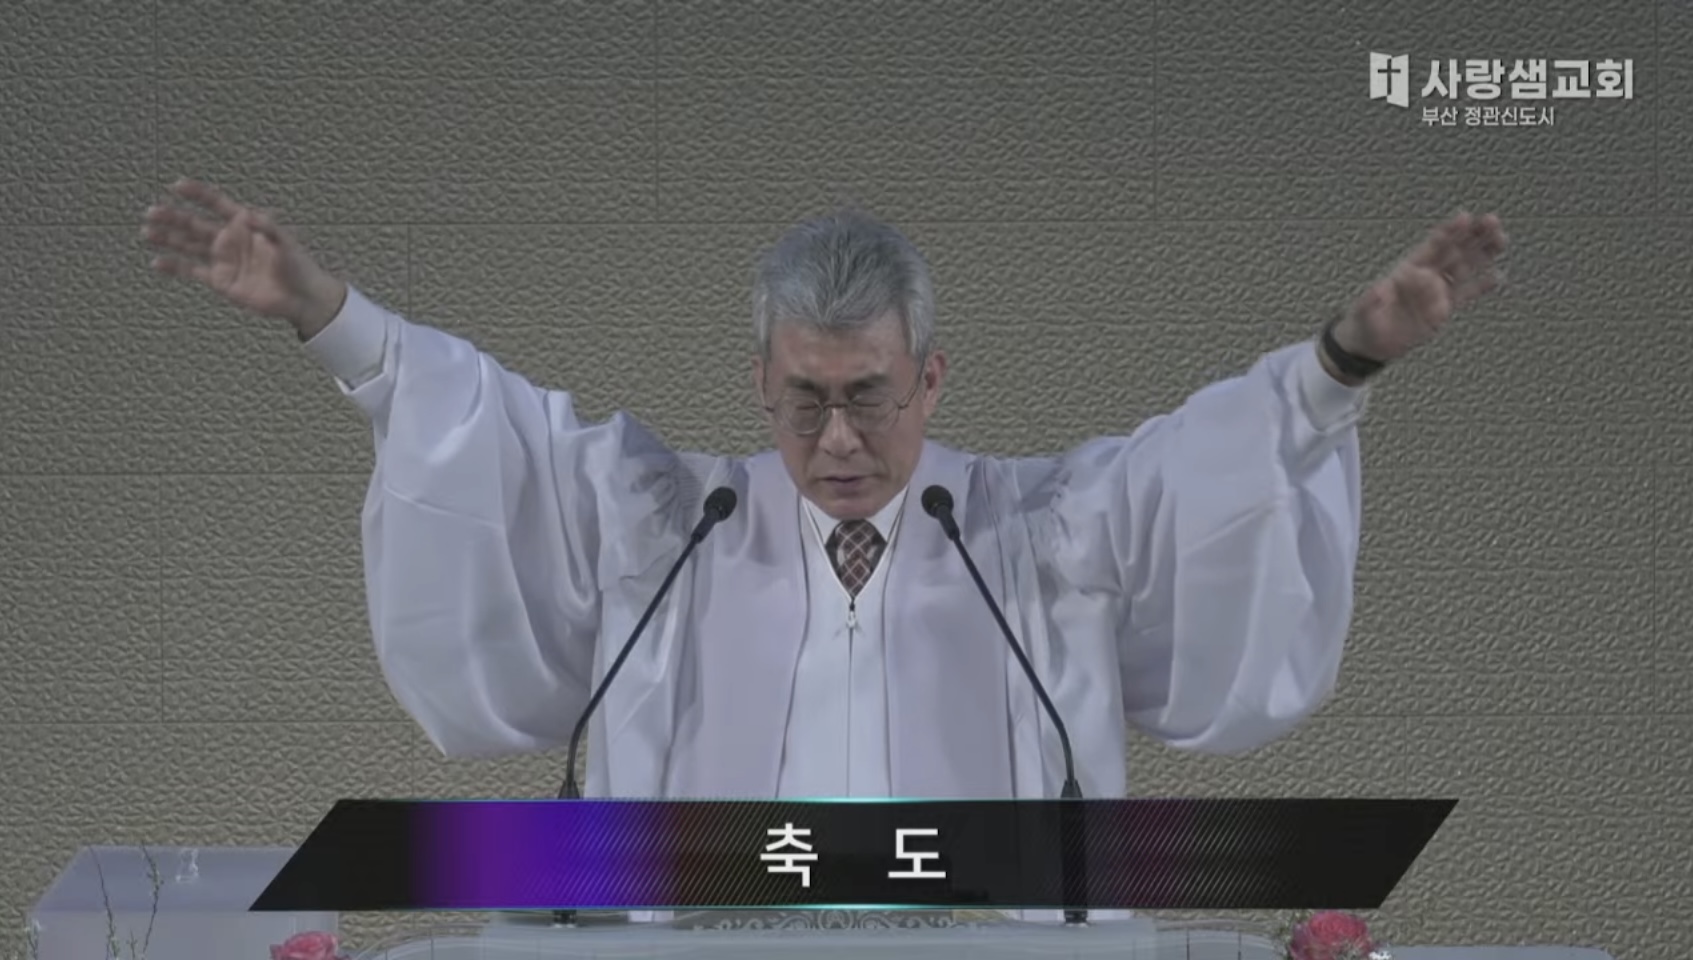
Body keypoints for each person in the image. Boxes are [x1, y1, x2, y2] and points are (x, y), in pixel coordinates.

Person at [142, 182, 1506, 804]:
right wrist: (327, 314)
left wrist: (1343, 361)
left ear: (931, 378)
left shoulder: (1037, 533)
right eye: (804, 400)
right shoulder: (672, 527)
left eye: (870, 395)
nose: (838, 438)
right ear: (759, 382)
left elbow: (1206, 467)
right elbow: (483, 430)